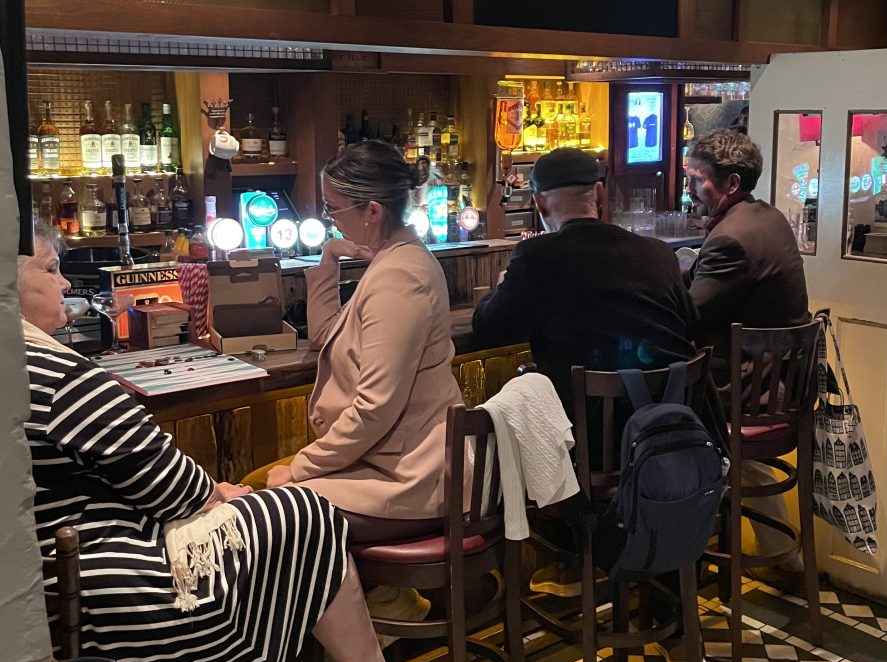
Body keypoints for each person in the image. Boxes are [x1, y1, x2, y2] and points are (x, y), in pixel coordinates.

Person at [18, 225, 434, 662]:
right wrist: (226, 491)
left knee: (281, 498)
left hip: (52, 594)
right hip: (117, 592)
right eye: (48, 269)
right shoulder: (51, 374)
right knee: (304, 512)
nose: (65, 282)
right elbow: (172, 487)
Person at [247, 140, 463, 547]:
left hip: (408, 478)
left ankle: (391, 601)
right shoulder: (393, 261)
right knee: (257, 487)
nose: (330, 218)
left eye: (333, 208)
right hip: (385, 462)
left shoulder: (400, 277)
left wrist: (302, 468)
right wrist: (328, 259)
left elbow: (375, 407)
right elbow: (326, 337)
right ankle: (379, 599)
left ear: (373, 211)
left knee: (261, 508)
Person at [471, 146, 697, 420]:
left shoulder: (537, 256)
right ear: (600, 193)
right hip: (677, 425)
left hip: (589, 442)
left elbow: (489, 329)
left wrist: (500, 287)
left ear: (539, 203)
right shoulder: (659, 252)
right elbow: (693, 325)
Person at [685, 129, 811, 582]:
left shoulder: (731, 239)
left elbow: (691, 316)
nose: (688, 190)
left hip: (740, 393)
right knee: (745, 462)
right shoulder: (768, 217)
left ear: (732, 183)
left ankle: (674, 557)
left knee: (654, 421)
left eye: (696, 179)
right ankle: (780, 558)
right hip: (778, 388)